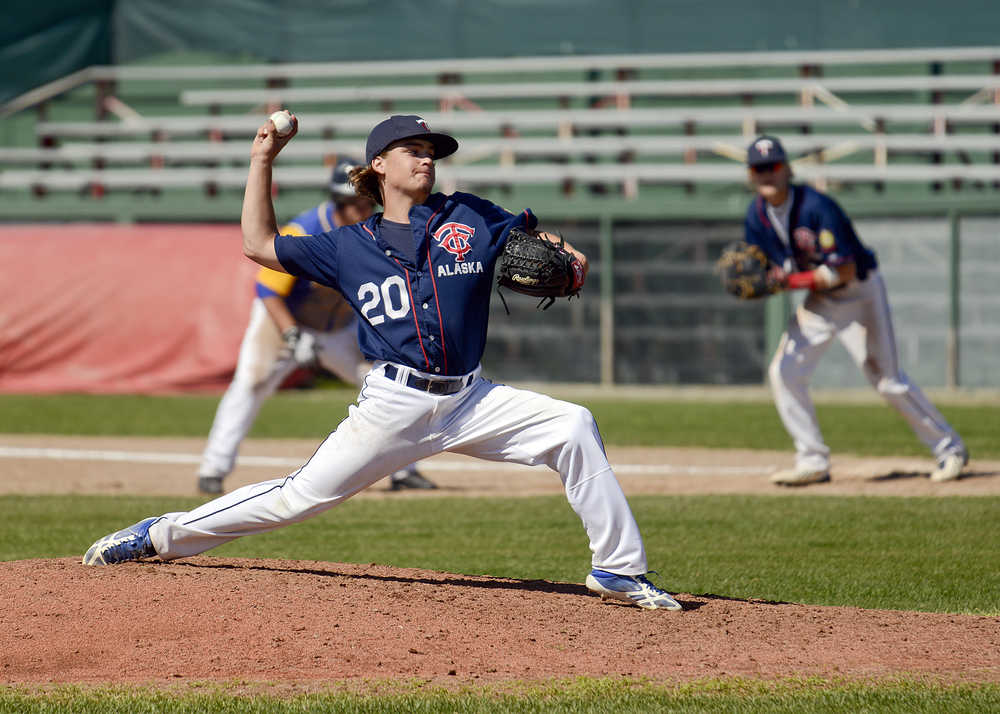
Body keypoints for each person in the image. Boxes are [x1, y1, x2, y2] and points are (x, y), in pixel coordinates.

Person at [82, 114, 682, 611]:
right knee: (296, 499)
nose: (427, 159)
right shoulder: (347, 246)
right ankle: (160, 534)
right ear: (379, 168)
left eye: (432, 152)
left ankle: (618, 570)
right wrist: (263, 157)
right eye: (413, 150)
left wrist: (565, 256)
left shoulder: (470, 215)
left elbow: (545, 245)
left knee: (572, 425)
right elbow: (257, 245)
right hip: (393, 405)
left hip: (470, 399)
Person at [195, 157, 436, 495]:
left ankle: (404, 471)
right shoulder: (305, 229)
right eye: (355, 202)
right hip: (283, 322)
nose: (362, 208)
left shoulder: (380, 230)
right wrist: (293, 336)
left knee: (387, 383)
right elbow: (267, 289)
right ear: (339, 202)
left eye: (368, 200)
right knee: (251, 383)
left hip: (340, 327)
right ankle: (213, 469)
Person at [743, 134, 969, 486]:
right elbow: (768, 270)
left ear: (787, 168)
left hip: (859, 292)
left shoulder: (817, 207)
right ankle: (812, 458)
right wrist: (763, 282)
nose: (766, 174)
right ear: (750, 175)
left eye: (772, 166)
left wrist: (789, 282)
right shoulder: (757, 216)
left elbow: (843, 270)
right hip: (821, 302)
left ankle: (949, 448)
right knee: (784, 371)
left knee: (887, 381)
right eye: (758, 169)